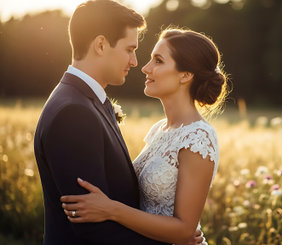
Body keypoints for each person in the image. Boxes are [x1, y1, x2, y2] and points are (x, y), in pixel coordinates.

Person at [34, 1, 203, 244]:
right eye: (129, 49)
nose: (135, 62)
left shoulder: (83, 101)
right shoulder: (73, 113)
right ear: (101, 45)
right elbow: (95, 230)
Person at [60, 28, 229, 245]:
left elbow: (185, 231)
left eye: (158, 61)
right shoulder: (160, 129)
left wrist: (111, 210)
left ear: (185, 75)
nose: (145, 68)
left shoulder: (198, 138)